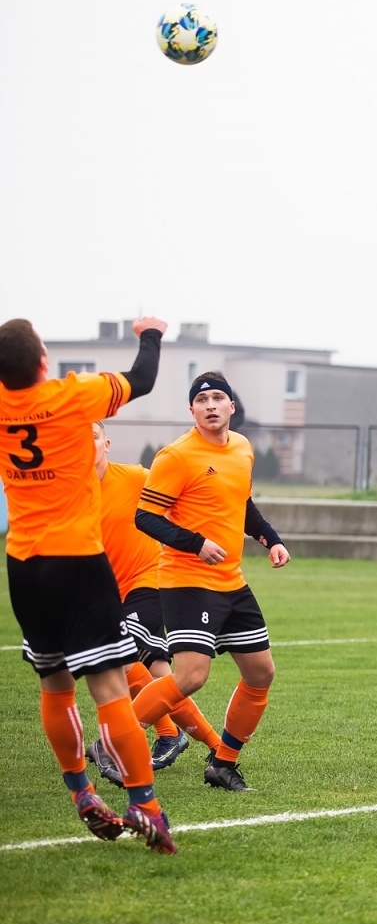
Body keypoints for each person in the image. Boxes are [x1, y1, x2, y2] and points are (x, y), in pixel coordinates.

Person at [0, 315, 176, 852]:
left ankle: (80, 789)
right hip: (78, 558)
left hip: (24, 565)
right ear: (43, 361)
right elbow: (142, 380)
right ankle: (146, 806)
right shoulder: (74, 396)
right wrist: (150, 333)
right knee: (110, 688)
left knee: (54, 684)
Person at [120, 371, 291, 793]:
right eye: (202, 400)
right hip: (187, 580)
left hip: (230, 581)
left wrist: (271, 539)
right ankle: (114, 740)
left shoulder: (243, 449)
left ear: (231, 406)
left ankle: (223, 764)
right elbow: (145, 517)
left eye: (218, 398)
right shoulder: (176, 456)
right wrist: (196, 543)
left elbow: (242, 504)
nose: (211, 405)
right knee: (191, 676)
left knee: (261, 672)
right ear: (192, 410)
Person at [87, 420, 225, 783]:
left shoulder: (134, 477)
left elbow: (175, 493)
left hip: (147, 581)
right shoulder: (69, 492)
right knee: (155, 675)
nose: (84, 445)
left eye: (93, 437)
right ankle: (210, 743)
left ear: (107, 444)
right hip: (105, 594)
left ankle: (166, 734)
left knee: (134, 657)